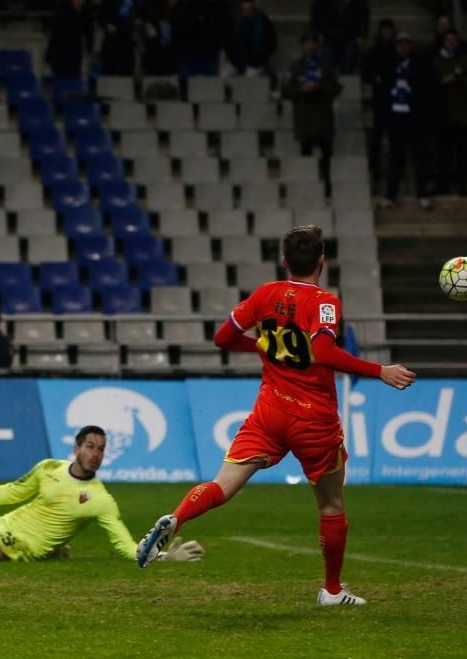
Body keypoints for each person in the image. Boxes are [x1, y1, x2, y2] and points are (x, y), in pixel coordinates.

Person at [134, 225, 417, 607]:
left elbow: (223, 338)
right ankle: (332, 591)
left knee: (224, 483)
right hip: (313, 418)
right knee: (331, 505)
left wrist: (264, 346)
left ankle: (177, 518)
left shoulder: (266, 294)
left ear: (284, 261)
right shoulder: (325, 303)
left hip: (270, 409)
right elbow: (323, 353)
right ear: (322, 260)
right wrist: (379, 370)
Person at [0, 425, 204, 564]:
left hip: (22, 546)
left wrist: (162, 556)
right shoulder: (49, 468)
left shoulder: (102, 501)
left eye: (101, 449)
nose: (96, 454)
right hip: (2, 524)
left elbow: (126, 547)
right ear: (76, 448)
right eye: (90, 447)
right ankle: (57, 553)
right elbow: (15, 490)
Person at [381, 32, 434, 210]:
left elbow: (426, 90)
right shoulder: (389, 66)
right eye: (400, 44)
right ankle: (390, 195)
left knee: (419, 158)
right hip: (396, 118)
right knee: (395, 158)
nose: (403, 47)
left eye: (406, 43)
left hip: (415, 119)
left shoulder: (419, 65)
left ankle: (423, 194)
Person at [281, 33, 341, 183]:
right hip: (304, 118)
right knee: (305, 154)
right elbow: (285, 90)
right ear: (301, 46)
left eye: (312, 43)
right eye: (306, 43)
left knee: (327, 154)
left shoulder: (326, 66)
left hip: (323, 117)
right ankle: (307, 186)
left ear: (317, 45)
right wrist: (301, 90)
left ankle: (328, 185)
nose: (309, 46)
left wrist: (319, 87)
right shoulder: (295, 67)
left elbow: (336, 88)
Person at [431, 29, 467, 197]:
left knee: (462, 154)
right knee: (443, 154)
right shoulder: (436, 60)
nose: (452, 42)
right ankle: (442, 187)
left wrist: (457, 78)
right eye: (448, 39)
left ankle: (462, 187)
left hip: (463, 116)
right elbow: (431, 81)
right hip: (443, 116)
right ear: (443, 41)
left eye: (454, 40)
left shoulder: (466, 59)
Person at [361, 18, 397, 189]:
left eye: (389, 30)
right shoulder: (374, 52)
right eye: (384, 30)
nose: (387, 33)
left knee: (396, 138)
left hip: (397, 101)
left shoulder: (398, 52)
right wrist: (375, 78)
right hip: (380, 101)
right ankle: (375, 170)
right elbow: (366, 72)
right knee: (377, 138)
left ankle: (397, 171)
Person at [309, 0, 369, 75]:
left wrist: (362, 35)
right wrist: (317, 34)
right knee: (326, 68)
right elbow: (315, 15)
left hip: (349, 36)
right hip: (328, 36)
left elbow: (363, 15)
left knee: (348, 68)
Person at [174, 0, 227, 77]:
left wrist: (222, 49)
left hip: (211, 52)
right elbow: (182, 29)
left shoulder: (222, 7)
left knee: (211, 83)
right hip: (190, 51)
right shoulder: (191, 5)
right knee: (185, 81)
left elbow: (223, 32)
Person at [224, 0, 277, 77]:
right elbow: (227, 40)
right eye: (244, 9)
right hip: (236, 61)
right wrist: (231, 57)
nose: (247, 11)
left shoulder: (262, 19)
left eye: (249, 8)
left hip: (256, 62)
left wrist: (264, 58)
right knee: (223, 75)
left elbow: (272, 40)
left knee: (249, 78)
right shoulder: (234, 19)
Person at [45, 0, 94, 78]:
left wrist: (89, 49)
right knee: (59, 77)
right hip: (59, 51)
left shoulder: (86, 12)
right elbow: (52, 27)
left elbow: (89, 32)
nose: (81, 0)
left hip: (75, 52)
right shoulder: (62, 10)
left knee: (74, 77)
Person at [98, 0, 139, 76]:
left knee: (126, 72)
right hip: (112, 43)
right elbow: (101, 17)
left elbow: (138, 18)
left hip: (127, 44)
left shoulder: (134, 1)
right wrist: (107, 25)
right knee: (111, 71)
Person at [140, 0, 180, 76]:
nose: (173, 0)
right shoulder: (154, 10)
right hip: (154, 54)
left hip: (170, 56)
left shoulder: (179, 13)